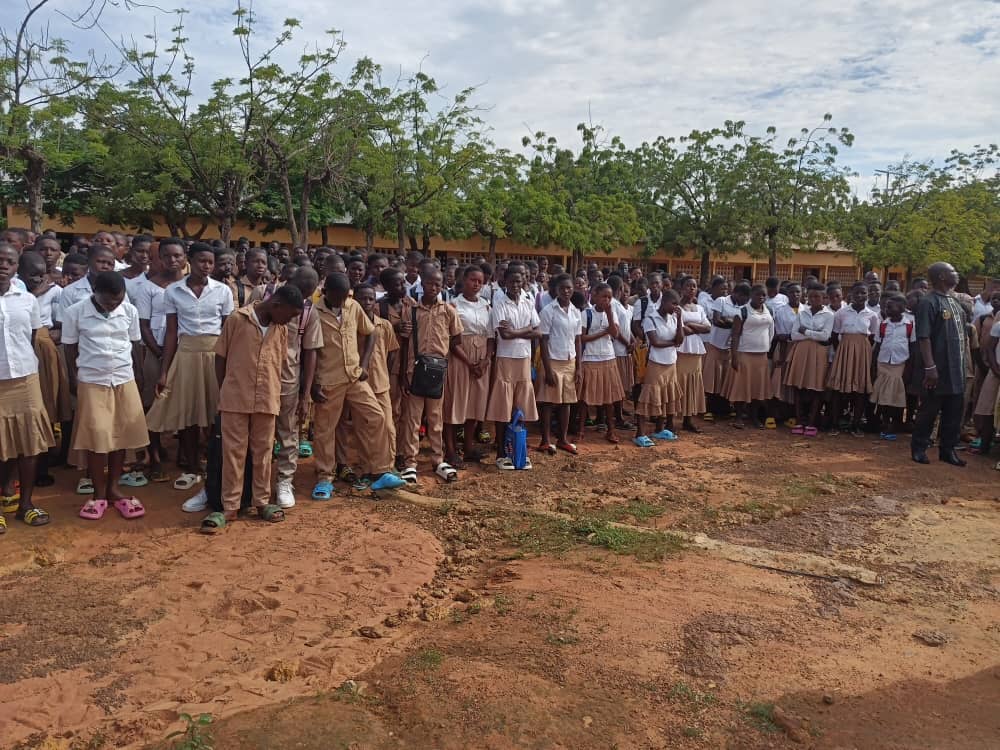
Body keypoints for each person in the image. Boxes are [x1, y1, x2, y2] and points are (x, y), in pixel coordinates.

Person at [202, 284, 304, 532]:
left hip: (267, 398)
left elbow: (278, 363)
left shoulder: (280, 329)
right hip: (235, 397)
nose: (290, 321)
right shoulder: (238, 319)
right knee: (233, 452)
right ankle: (230, 506)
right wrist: (225, 389)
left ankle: (261, 501)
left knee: (264, 451)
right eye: (290, 315)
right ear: (276, 305)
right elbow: (221, 357)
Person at [147, 242, 234, 503]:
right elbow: (172, 332)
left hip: (214, 354)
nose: (206, 266)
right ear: (190, 261)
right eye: (201, 261)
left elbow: (227, 329)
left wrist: (229, 363)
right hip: (186, 353)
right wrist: (164, 369)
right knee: (188, 411)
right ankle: (192, 465)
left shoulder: (223, 291)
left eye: (210, 262)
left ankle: (214, 462)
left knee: (215, 411)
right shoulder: (173, 292)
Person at [309, 272, 405, 499]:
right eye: (338, 297)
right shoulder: (314, 313)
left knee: (377, 416)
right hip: (328, 381)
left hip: (354, 377)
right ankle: (324, 478)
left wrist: (363, 365)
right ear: (326, 293)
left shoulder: (352, 306)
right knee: (325, 430)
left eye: (346, 296)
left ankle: (380, 470)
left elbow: (371, 333)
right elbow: (309, 351)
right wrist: (313, 383)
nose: (343, 302)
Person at [62, 271, 149, 520]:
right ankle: (98, 494)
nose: (114, 305)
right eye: (109, 301)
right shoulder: (75, 312)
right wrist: (72, 377)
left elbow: (134, 344)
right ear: (95, 293)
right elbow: (69, 347)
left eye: (118, 300)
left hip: (123, 377)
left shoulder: (129, 311)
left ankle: (113, 489)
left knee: (121, 435)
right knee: (97, 436)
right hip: (92, 379)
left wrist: (139, 374)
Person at [0, 243, 54, 531]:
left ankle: (26, 505)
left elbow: (32, 337)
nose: (3, 265)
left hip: (25, 378)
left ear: (15, 266)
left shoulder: (26, 299)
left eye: (9, 261)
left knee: (30, 443)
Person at [398, 269, 463, 484]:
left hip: (437, 371)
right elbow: (405, 342)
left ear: (442, 286)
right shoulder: (412, 310)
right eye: (429, 283)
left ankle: (437, 460)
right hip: (414, 369)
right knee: (412, 419)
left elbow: (456, 337)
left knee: (436, 418)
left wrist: (441, 354)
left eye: (437, 284)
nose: (433, 288)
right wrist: (403, 373)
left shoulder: (448, 310)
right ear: (422, 284)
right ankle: (410, 462)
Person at [135, 238, 186, 482]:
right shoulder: (148, 288)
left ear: (185, 258)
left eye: (177, 256)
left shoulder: (189, 286)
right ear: (159, 259)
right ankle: (153, 456)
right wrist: (159, 354)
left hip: (184, 353)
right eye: (167, 256)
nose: (172, 261)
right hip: (156, 352)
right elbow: (143, 325)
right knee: (152, 402)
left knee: (185, 402)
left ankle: (186, 455)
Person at [273, 267, 322, 508]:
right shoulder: (262, 296)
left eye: (307, 294)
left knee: (288, 433)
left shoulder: (308, 311)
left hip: (288, 380)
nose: (302, 298)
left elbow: (311, 351)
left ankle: (284, 480)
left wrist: (305, 393)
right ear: (288, 280)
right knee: (257, 436)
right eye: (300, 291)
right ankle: (254, 481)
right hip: (258, 379)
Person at [912, 262, 970, 466]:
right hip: (937, 368)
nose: (957, 273)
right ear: (943, 276)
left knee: (954, 412)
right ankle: (919, 447)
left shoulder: (953, 301)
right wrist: (930, 367)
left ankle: (948, 450)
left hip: (956, 368)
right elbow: (924, 337)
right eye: (953, 271)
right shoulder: (929, 302)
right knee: (929, 410)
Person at [485, 266, 540, 470]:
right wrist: (526, 330)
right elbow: (504, 336)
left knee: (521, 407)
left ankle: (519, 451)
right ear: (504, 282)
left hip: (523, 358)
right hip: (505, 359)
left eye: (519, 282)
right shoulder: (499, 304)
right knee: (503, 408)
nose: (516, 285)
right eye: (512, 282)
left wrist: (517, 330)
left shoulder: (527, 302)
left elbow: (538, 331)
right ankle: (501, 453)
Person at [18, 251, 62, 486]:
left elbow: (59, 325)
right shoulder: (16, 295)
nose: (37, 279)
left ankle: (41, 467)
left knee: (45, 407)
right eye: (32, 275)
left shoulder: (56, 291)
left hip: (42, 351)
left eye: (41, 275)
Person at [443, 266, 494, 464]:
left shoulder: (486, 306)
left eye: (480, 281)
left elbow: (491, 336)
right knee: (456, 401)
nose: (476, 284)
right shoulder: (453, 305)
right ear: (463, 280)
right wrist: (469, 362)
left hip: (481, 357)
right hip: (460, 356)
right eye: (473, 280)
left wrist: (486, 359)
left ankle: (469, 447)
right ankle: (450, 449)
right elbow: (451, 339)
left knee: (475, 402)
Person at [536, 274, 582, 455]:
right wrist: (547, 369)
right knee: (548, 402)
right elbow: (543, 341)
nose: (566, 291)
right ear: (555, 290)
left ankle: (562, 439)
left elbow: (578, 340)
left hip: (569, 360)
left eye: (569, 288)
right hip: (552, 361)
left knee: (566, 402)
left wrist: (579, 367)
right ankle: (545, 440)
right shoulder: (548, 311)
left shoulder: (576, 312)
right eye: (562, 288)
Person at [633, 289, 684, 447]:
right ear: (664, 302)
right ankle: (639, 433)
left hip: (671, 362)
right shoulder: (651, 319)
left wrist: (680, 319)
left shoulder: (674, 319)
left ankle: (660, 429)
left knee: (665, 395)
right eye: (673, 303)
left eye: (678, 304)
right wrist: (673, 343)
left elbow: (680, 339)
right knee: (648, 396)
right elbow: (655, 342)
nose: (675, 307)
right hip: (655, 362)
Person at [828, 282, 879, 435]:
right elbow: (835, 335)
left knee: (860, 389)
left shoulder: (872, 315)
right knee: (838, 389)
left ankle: (855, 424)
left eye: (863, 293)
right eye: (856, 293)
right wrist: (843, 351)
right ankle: (835, 424)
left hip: (863, 352)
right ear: (850, 294)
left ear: (867, 295)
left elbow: (872, 337)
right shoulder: (841, 313)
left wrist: (861, 350)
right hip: (843, 351)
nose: (859, 296)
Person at [579, 283, 627, 444]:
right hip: (590, 358)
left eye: (609, 297)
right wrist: (603, 332)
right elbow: (582, 338)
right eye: (603, 296)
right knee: (585, 398)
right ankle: (580, 431)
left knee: (609, 398)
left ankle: (611, 430)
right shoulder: (586, 314)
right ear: (595, 296)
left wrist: (609, 314)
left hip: (608, 357)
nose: (606, 300)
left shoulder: (611, 313)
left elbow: (615, 333)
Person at [784, 284, 834, 437]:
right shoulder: (802, 312)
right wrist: (814, 333)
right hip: (801, 352)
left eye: (817, 296)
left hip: (819, 354)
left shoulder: (829, 315)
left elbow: (825, 336)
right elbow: (794, 335)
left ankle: (811, 422)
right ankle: (800, 421)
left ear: (823, 298)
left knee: (816, 388)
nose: (814, 299)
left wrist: (805, 331)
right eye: (811, 296)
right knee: (799, 387)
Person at [727, 284, 774, 429]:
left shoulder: (769, 311)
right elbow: (735, 335)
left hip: (761, 356)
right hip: (745, 354)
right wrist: (734, 356)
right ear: (751, 296)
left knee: (757, 388)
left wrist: (767, 347)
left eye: (763, 295)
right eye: (757, 295)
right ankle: (739, 416)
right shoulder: (742, 312)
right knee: (742, 386)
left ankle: (754, 417)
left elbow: (771, 331)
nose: (761, 297)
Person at [870, 294, 915, 441]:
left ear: (902, 308)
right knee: (882, 394)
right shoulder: (883, 325)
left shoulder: (910, 325)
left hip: (900, 364)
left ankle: (894, 422)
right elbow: (878, 345)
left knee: (895, 395)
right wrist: (873, 365)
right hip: (883, 363)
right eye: (886, 306)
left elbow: (912, 347)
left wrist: (909, 369)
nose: (886, 309)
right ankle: (882, 422)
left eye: (890, 306)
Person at [676, 276, 710, 433]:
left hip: (695, 350)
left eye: (694, 286)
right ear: (682, 288)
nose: (691, 289)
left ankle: (687, 419)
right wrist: (696, 327)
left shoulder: (700, 308)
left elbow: (708, 328)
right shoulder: (677, 308)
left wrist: (690, 325)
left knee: (692, 383)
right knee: (678, 383)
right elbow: (680, 329)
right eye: (688, 286)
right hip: (681, 350)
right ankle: (670, 419)